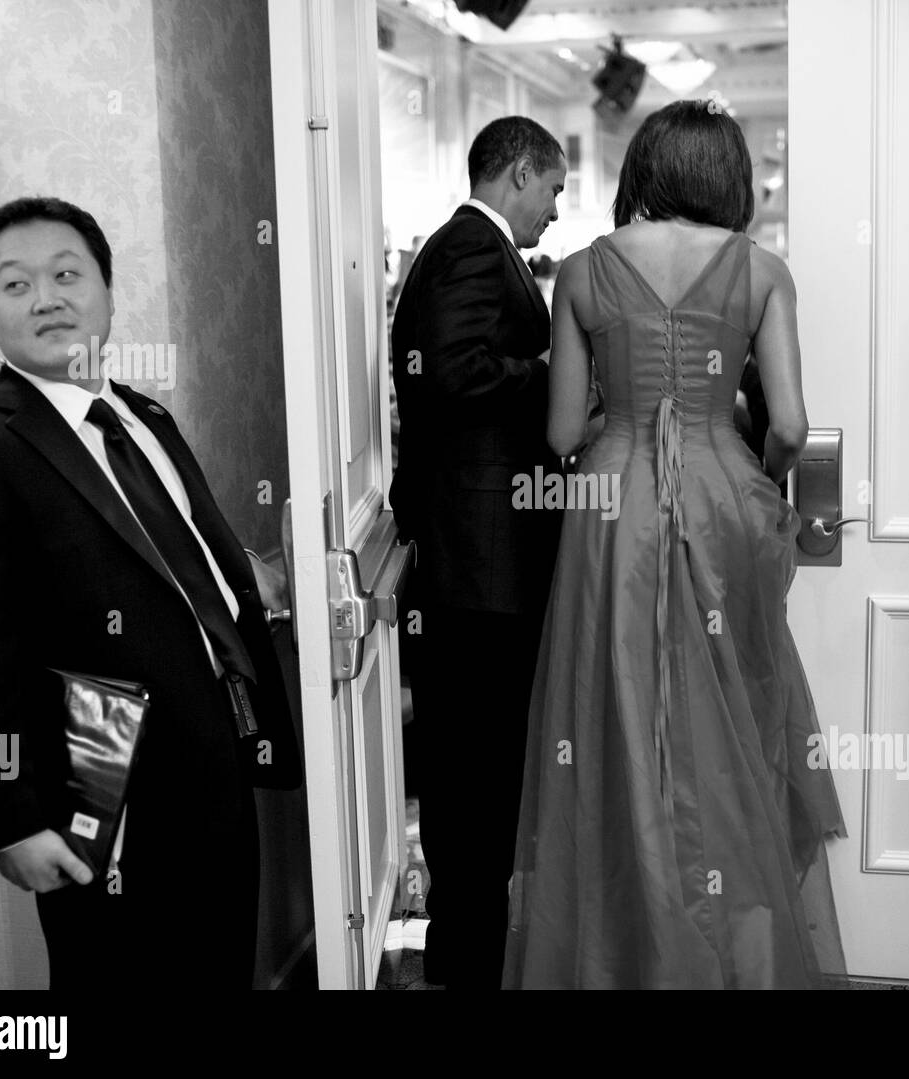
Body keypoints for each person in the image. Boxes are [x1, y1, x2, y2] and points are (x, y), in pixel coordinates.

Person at [503, 101, 847, 988]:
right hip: (718, 490)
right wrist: (745, 460)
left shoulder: (582, 270)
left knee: (609, 715)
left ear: (644, 170)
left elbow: (556, 434)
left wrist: (625, 418)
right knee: (729, 712)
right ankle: (730, 954)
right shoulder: (762, 269)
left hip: (613, 502)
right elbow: (795, 425)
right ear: (727, 178)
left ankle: (628, 948)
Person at [0, 196, 301, 989]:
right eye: (15, 285)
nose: (47, 298)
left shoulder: (142, 414)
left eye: (67, 274)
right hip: (104, 790)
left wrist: (248, 582)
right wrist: (9, 820)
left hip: (216, 756)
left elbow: (180, 552)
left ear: (108, 289)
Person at [389, 117, 566, 988]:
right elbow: (452, 371)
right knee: (475, 784)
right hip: (480, 569)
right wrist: (561, 377)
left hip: (477, 560)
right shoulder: (469, 247)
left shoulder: (464, 248)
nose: (557, 212)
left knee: (478, 781)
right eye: (555, 189)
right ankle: (466, 963)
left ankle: (472, 954)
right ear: (521, 172)